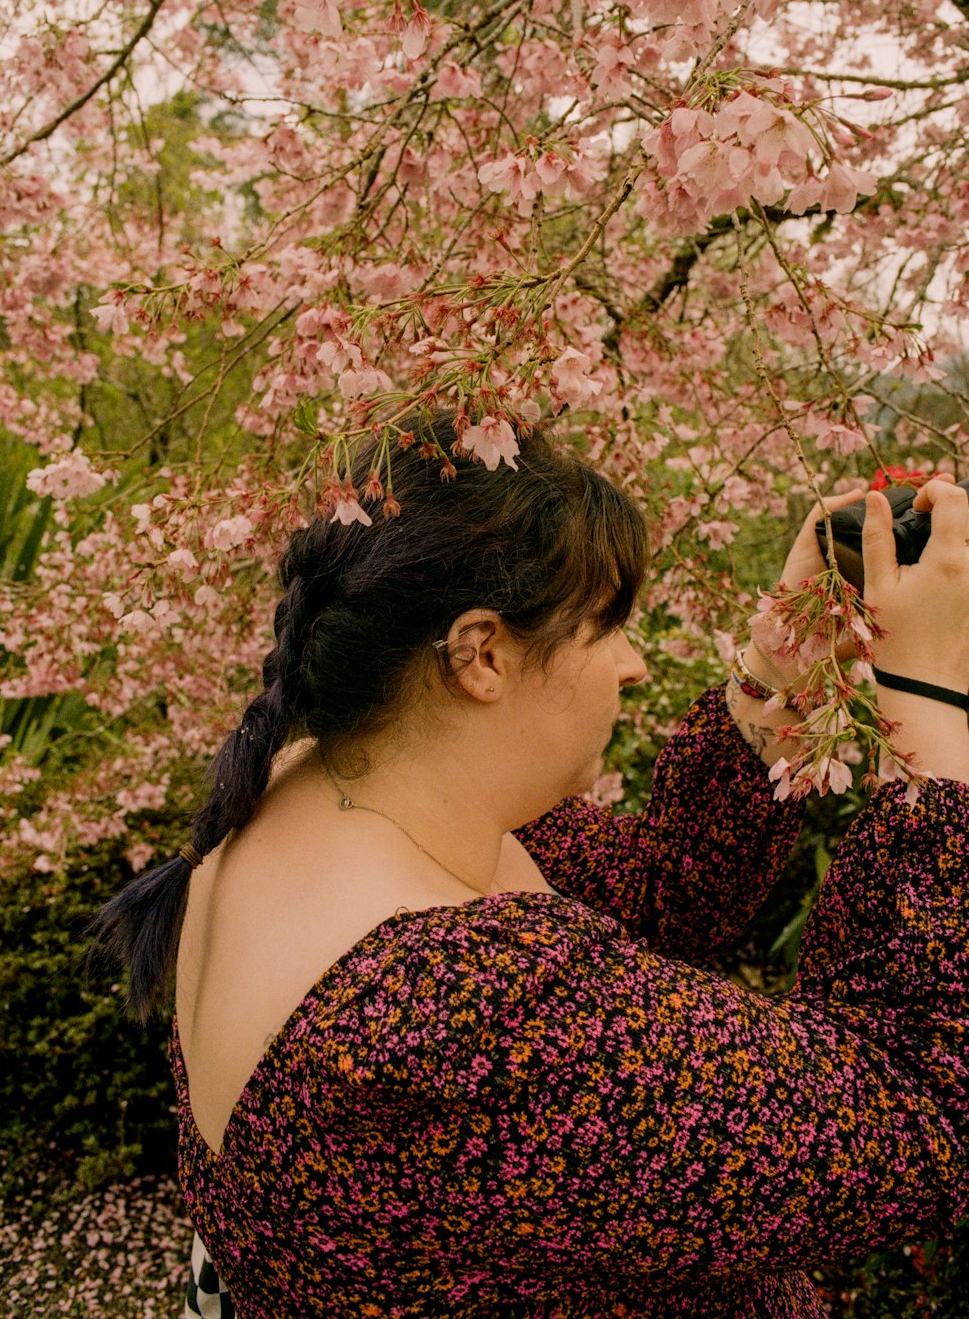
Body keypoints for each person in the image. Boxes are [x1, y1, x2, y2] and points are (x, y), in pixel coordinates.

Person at [91, 418, 969, 1319]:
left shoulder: (320, 793)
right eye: (609, 628)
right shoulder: (450, 998)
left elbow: (669, 892)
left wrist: (783, 664)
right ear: (483, 655)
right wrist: (938, 724)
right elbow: (923, 1115)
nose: (632, 667)